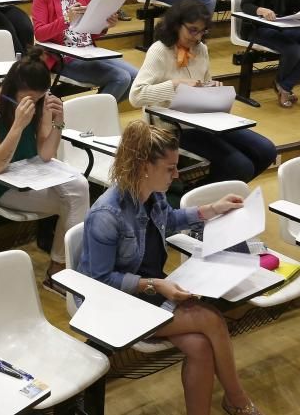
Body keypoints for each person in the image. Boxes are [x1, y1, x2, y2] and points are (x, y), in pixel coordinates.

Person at [79, 121, 263, 415]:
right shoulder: (106, 214)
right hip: (112, 300)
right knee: (212, 320)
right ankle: (237, 399)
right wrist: (155, 285)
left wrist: (212, 209)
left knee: (200, 347)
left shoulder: (153, 195)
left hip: (149, 288)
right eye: (170, 168)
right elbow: (99, 281)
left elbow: (171, 220)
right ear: (144, 167)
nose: (177, 174)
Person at [0, 47, 90, 290]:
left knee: (80, 186)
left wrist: (58, 122)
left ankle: (62, 268)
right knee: (74, 202)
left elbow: (45, 154)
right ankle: (63, 270)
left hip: (29, 173)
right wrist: (18, 126)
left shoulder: (39, 100)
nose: (37, 102)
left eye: (41, 97)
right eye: (31, 98)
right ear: (13, 90)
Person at [130, 0, 276, 183]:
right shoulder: (159, 51)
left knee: (266, 150)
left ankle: (218, 191)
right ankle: (197, 199)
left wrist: (212, 89)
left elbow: (203, 83)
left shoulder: (201, 49)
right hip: (173, 127)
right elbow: (136, 96)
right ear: (176, 25)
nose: (197, 37)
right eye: (192, 30)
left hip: (204, 120)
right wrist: (175, 85)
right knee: (240, 166)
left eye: (202, 31)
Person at [33, 0, 138, 100]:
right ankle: (97, 114)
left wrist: (104, 24)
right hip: (64, 57)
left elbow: (90, 31)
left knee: (137, 77)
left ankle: (98, 109)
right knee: (121, 78)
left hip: (89, 51)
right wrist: (66, 19)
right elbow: (40, 34)